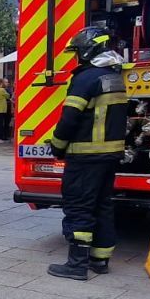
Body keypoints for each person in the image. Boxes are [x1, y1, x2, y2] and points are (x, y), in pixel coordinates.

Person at [47, 26, 129, 280]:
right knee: (102, 205)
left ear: (87, 50)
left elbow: (70, 118)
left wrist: (57, 146)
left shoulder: (85, 78)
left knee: (79, 207)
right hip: (110, 155)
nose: (75, 58)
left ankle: (76, 265)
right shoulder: (114, 77)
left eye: (77, 52)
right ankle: (100, 260)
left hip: (85, 155)